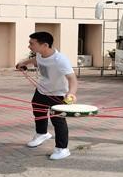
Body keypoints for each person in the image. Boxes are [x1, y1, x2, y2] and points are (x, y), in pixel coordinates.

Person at [16, 32, 78, 160]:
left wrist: (71, 93)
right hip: (41, 91)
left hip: (58, 95)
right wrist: (23, 63)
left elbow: (73, 80)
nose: (29, 46)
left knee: (58, 121)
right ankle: (41, 134)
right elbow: (36, 60)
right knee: (38, 112)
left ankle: (62, 149)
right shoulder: (40, 54)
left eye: (32, 44)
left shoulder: (60, 60)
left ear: (44, 45)